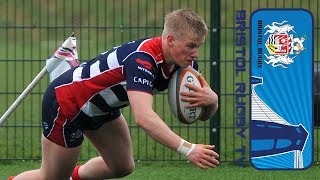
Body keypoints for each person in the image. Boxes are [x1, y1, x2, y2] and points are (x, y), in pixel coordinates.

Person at [10, 8, 219, 180]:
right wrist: (187, 149)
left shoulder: (185, 63)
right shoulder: (142, 60)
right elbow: (144, 117)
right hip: (67, 105)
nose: (196, 53)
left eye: (199, 46)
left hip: (102, 109)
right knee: (52, 178)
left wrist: (213, 101)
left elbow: (198, 114)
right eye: (191, 46)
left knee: (121, 166)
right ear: (171, 39)